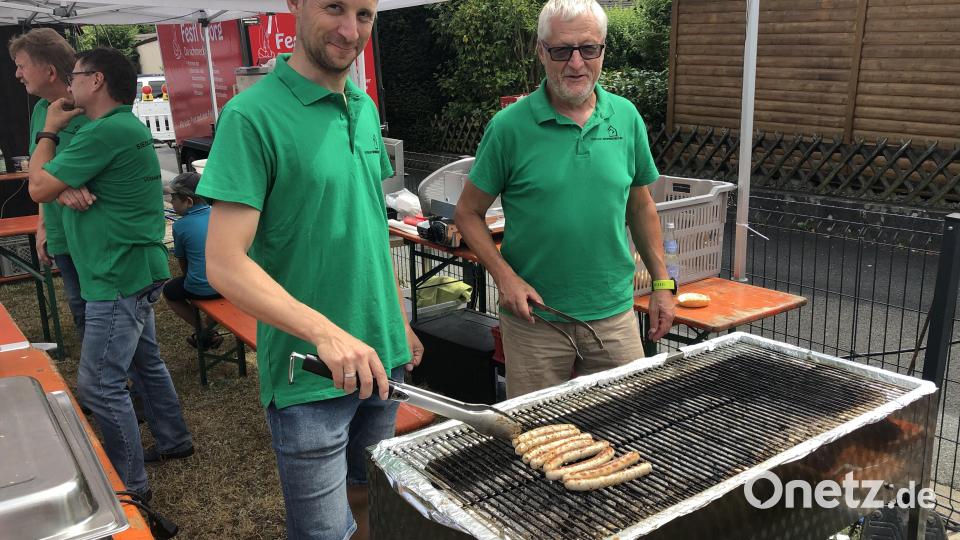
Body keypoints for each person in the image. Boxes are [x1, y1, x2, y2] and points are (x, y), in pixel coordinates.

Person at [197, 0, 423, 538]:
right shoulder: (251, 116)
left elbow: (370, 224)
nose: (350, 30)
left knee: (373, 499)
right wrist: (326, 333)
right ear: (294, 5)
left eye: (365, 14)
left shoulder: (363, 107)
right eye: (333, 7)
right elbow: (224, 264)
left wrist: (399, 318)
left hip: (382, 359)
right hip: (310, 371)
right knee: (323, 532)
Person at [454, 0, 676, 399]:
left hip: (613, 314)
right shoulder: (508, 128)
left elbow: (640, 205)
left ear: (603, 51)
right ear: (542, 51)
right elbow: (468, 214)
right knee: (536, 436)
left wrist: (663, 283)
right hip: (535, 321)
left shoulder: (625, 117)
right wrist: (505, 278)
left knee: (625, 425)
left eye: (588, 49)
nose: (576, 63)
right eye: (561, 50)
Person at [27, 47, 193, 501]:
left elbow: (38, 185)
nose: (69, 83)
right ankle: (175, 439)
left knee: (98, 386)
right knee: (146, 362)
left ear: (96, 80)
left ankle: (129, 488)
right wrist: (66, 185)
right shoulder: (123, 128)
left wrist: (49, 131)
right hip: (132, 268)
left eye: (76, 76)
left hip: (115, 275)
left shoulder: (103, 132)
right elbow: (59, 187)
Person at [10, 28, 89, 342]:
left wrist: (56, 186)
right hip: (61, 231)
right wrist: (43, 223)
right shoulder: (42, 110)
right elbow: (38, 171)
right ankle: (108, 385)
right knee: (81, 310)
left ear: (50, 71)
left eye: (22, 65)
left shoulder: (92, 109)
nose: (17, 74)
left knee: (112, 314)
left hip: (93, 233)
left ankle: (121, 385)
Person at [162, 171, 223, 349]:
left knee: (170, 292)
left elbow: (184, 263)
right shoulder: (220, 216)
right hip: (230, 286)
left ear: (188, 202)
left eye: (173, 198)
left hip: (202, 289)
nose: (171, 202)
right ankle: (209, 331)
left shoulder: (180, 226)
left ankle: (204, 331)